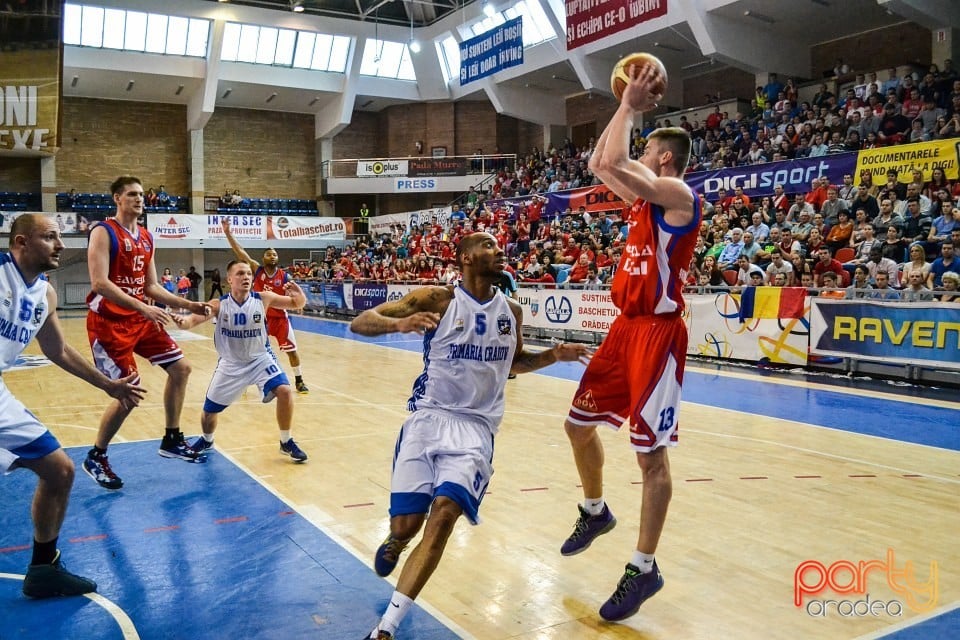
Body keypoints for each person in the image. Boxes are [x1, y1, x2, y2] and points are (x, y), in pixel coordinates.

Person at [350, 232, 590, 640]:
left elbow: (515, 364)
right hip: (428, 419)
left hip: (477, 430)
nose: (500, 251)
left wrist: (553, 356)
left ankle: (386, 628)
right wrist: (401, 322)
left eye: (500, 246)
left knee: (443, 517)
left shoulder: (510, 311)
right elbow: (360, 322)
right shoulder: (436, 299)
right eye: (490, 247)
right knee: (408, 524)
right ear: (464, 258)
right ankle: (397, 538)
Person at [560, 60, 702, 622]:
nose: (640, 157)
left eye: (649, 151)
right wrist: (626, 107)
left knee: (650, 457)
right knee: (577, 424)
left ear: (663, 158)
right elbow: (602, 161)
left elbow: (617, 159)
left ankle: (644, 568)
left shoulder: (676, 194)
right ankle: (595, 511)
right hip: (624, 330)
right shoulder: (643, 202)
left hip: (658, 336)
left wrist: (628, 104)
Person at [3, 215, 144, 597]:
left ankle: (43, 568)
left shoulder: (45, 293)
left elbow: (58, 350)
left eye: (60, 237)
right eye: (50, 237)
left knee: (60, 470)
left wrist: (109, 386)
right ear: (21, 242)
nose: (61, 245)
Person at [83, 176, 210, 490]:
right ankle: (96, 456)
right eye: (132, 194)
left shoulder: (146, 237)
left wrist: (188, 304)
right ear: (117, 198)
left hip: (138, 320)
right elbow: (99, 283)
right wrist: (143, 308)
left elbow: (150, 286)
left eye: (141, 194)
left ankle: (171, 438)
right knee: (129, 394)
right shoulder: (103, 231)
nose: (139, 199)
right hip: (109, 325)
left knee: (181, 368)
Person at [177, 260, 309, 462]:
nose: (246, 277)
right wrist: (182, 321)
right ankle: (207, 439)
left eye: (248, 273)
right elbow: (192, 320)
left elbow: (297, 304)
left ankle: (286, 441)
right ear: (229, 279)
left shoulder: (264, 298)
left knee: (284, 391)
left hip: (260, 359)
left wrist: (299, 294)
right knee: (209, 412)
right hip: (231, 364)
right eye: (240, 274)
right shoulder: (218, 305)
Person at [222, 219, 309, 394]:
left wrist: (297, 301)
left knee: (292, 350)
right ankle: (245, 381)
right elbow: (240, 252)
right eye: (269, 254)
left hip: (280, 318)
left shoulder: (285, 276)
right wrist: (228, 233)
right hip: (259, 318)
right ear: (263, 258)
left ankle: (299, 380)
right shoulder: (257, 269)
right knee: (249, 351)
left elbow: (294, 293)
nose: (273, 256)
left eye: (275, 254)